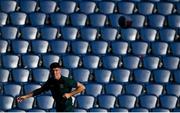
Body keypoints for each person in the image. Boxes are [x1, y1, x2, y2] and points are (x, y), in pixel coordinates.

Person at [17, 62, 85, 112]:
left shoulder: (66, 80)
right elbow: (40, 90)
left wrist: (69, 94)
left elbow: (82, 87)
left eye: (56, 70)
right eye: (53, 71)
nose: (55, 72)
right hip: (59, 108)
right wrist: (25, 97)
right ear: (50, 71)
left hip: (67, 108)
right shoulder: (50, 81)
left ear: (60, 70)